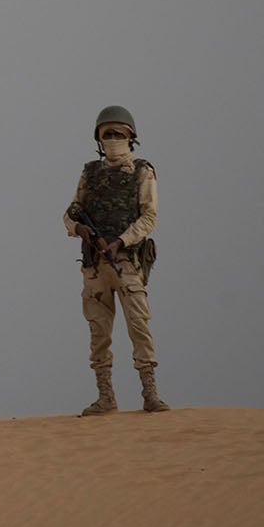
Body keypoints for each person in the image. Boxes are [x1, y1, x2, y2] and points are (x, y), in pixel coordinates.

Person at [66, 105, 171, 414]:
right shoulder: (90, 173)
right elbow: (71, 211)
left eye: (118, 134)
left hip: (126, 262)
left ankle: (150, 393)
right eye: (106, 134)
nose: (112, 139)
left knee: (139, 325)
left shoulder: (142, 171)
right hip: (95, 265)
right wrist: (79, 228)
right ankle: (106, 397)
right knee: (98, 331)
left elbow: (149, 216)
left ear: (130, 137)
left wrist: (122, 241)